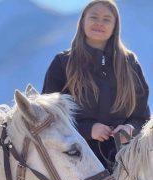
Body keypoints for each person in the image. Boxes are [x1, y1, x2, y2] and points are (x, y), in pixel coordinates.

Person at [42, 0, 149, 170]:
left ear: (115, 26)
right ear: (83, 21)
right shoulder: (63, 63)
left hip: (124, 164)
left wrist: (129, 129)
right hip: (74, 164)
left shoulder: (130, 64)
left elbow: (142, 118)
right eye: (94, 17)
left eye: (107, 19)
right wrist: (88, 130)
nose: (100, 23)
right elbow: (48, 117)